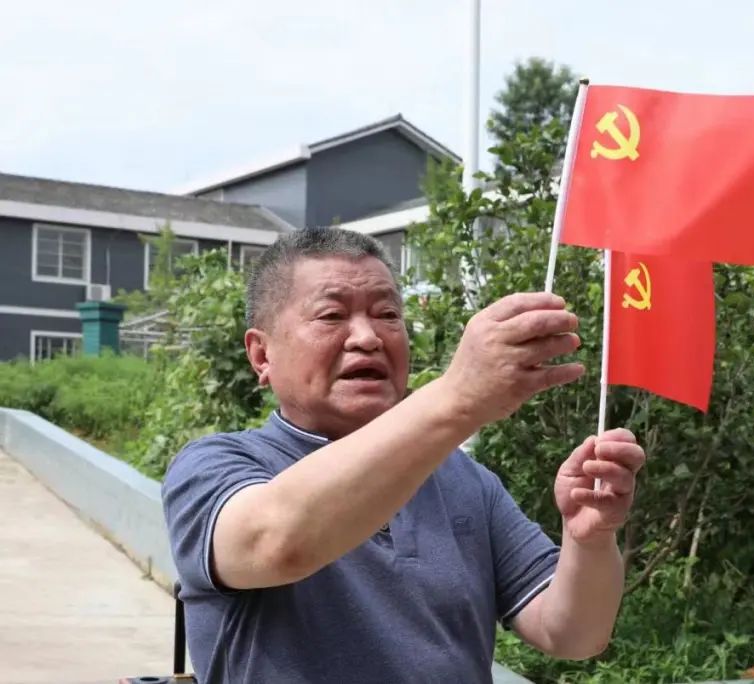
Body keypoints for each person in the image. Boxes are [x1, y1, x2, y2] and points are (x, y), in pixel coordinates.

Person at [161, 226, 646, 683]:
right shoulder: (215, 467)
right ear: (261, 355)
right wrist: (457, 397)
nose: (368, 337)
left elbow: (574, 634)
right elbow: (277, 543)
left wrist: (589, 540)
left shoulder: (465, 481)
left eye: (387, 315)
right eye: (331, 316)